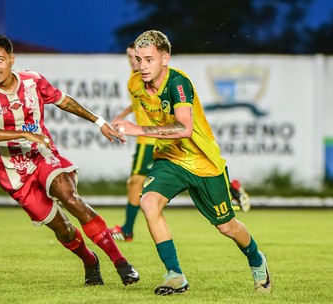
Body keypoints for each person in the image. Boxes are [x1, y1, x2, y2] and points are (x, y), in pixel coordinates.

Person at [0, 34, 139, 287]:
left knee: (71, 198)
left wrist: (99, 121)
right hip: (14, 174)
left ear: (12, 59)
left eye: (0, 60)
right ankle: (90, 261)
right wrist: (23, 133)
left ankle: (121, 263)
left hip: (43, 156)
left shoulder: (32, 80)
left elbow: (64, 101)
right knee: (63, 229)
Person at [112, 30, 271, 295]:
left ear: (165, 58)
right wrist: (115, 127)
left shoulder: (178, 83)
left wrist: (136, 129)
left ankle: (257, 260)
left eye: (149, 59)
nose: (142, 66)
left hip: (203, 163)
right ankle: (175, 275)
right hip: (169, 158)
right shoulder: (135, 84)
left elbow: (184, 128)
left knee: (226, 226)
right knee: (148, 202)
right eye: (138, 59)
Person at [109, 42, 156, 242]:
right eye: (129, 57)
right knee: (134, 183)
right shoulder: (134, 76)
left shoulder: (150, 77)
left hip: (152, 139)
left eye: (136, 57)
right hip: (145, 139)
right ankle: (127, 229)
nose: (133, 61)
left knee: (136, 183)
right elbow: (138, 102)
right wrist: (123, 114)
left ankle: (127, 230)